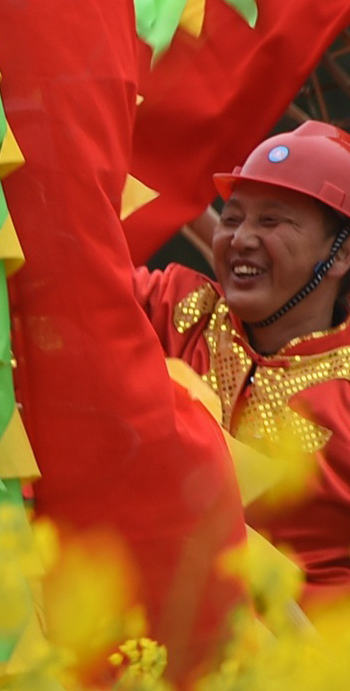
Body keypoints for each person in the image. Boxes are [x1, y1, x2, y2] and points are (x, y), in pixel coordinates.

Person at [130, 121, 350, 605]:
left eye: (272, 222)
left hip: (303, 668)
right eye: (232, 219)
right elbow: (71, 279)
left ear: (341, 254)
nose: (242, 238)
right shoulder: (171, 307)